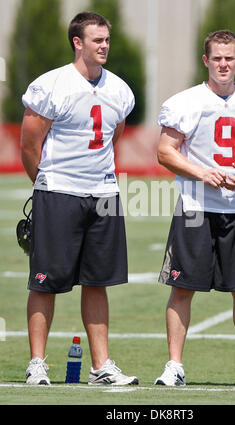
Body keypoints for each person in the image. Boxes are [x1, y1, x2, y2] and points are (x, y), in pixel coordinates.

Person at [154, 30, 235, 388]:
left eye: (229, 58)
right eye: (217, 58)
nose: (223, 64)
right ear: (205, 60)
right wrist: (201, 172)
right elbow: (165, 151)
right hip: (195, 206)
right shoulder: (185, 101)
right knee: (182, 287)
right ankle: (174, 366)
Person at [21, 11, 138, 386]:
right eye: (96, 40)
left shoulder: (119, 89)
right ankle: (37, 362)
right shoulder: (52, 84)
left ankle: (101, 365)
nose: (104, 46)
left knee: (97, 280)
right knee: (44, 280)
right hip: (58, 191)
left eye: (106, 39)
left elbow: (113, 135)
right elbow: (29, 144)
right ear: (77, 42)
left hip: (103, 193)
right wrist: (47, 185)